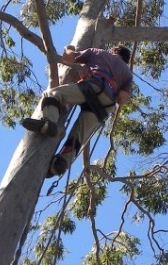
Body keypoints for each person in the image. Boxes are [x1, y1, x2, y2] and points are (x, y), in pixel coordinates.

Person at [21, 44, 134, 177]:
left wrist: (69, 49)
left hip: (93, 87)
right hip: (106, 105)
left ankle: (49, 123)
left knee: (53, 94)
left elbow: (69, 58)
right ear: (126, 60)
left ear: (113, 51)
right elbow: (122, 98)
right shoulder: (128, 75)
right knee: (78, 137)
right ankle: (61, 163)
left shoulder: (99, 53)